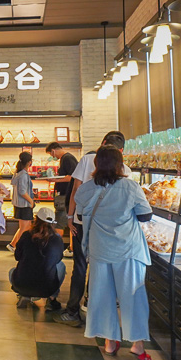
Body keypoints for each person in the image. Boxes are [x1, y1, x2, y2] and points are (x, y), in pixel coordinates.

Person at [74, 145, 153, 360]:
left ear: (96, 164)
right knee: (133, 296)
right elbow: (145, 216)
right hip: (127, 249)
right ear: (120, 165)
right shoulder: (130, 187)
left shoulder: (85, 189)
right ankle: (137, 345)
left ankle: (109, 341)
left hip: (100, 249)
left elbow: (81, 216)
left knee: (102, 296)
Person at [55, 131, 130, 327]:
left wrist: (70, 217)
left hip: (82, 222)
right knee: (99, 266)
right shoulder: (126, 169)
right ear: (121, 151)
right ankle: (91, 305)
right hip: (107, 226)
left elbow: (75, 190)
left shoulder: (88, 159)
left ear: (102, 143)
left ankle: (72, 310)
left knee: (80, 265)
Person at [10, 207, 66, 310]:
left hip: (21, 285)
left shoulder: (26, 235)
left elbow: (17, 256)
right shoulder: (57, 239)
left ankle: (24, 295)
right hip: (47, 288)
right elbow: (58, 259)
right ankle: (52, 298)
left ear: (36, 220)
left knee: (12, 271)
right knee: (61, 266)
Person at [45, 142, 79, 257]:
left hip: (65, 195)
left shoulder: (67, 158)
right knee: (67, 222)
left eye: (51, 153)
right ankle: (71, 248)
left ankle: (57, 249)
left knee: (59, 222)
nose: (52, 156)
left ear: (53, 151)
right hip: (65, 195)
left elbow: (72, 177)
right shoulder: (66, 158)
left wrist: (54, 180)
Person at [7, 152, 35, 253]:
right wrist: (31, 201)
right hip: (24, 204)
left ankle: (13, 244)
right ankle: (15, 246)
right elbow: (23, 191)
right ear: (29, 162)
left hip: (19, 204)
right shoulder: (23, 175)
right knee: (24, 227)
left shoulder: (17, 174)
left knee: (25, 227)